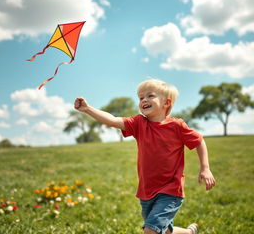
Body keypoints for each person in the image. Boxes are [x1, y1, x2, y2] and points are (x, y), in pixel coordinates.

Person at [74, 79, 216, 234]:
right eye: (141, 98)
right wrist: (88, 109)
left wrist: (205, 168)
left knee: (151, 230)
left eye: (150, 96)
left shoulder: (177, 126)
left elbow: (199, 141)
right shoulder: (139, 123)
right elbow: (113, 120)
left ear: (166, 103)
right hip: (146, 191)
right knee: (163, 230)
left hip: (170, 190)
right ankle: (189, 233)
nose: (144, 100)